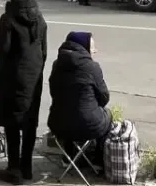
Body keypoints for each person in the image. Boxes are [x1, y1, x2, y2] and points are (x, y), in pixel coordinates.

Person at [0, 0, 48, 185]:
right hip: (33, 76)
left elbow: (1, 49)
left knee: (13, 123)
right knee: (29, 121)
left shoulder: (8, 18)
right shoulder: (39, 18)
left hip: (12, 76)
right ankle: (27, 167)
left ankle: (14, 168)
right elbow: (44, 50)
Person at [47, 31, 113, 164]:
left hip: (57, 125)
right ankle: (98, 160)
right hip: (88, 127)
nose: (95, 51)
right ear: (85, 48)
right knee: (107, 114)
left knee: (68, 110)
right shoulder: (92, 67)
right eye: (92, 48)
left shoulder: (56, 65)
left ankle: (68, 157)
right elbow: (104, 97)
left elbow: (54, 93)